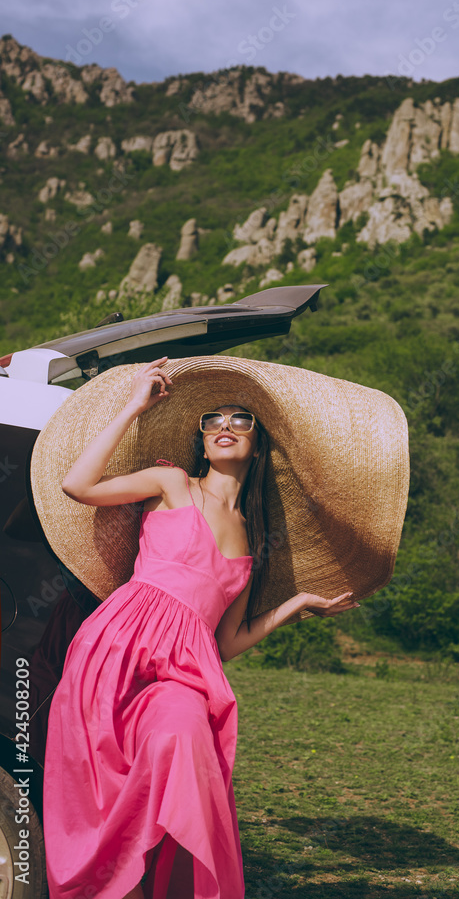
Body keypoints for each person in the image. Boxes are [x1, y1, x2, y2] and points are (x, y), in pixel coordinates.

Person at [43, 356, 359, 899]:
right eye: (213, 419)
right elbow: (77, 485)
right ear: (202, 437)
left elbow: (226, 643)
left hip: (182, 674)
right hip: (114, 648)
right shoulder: (173, 482)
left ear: (259, 445)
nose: (225, 428)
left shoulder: (250, 545)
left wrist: (298, 603)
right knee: (102, 792)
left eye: (242, 420)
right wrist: (133, 406)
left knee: (186, 739)